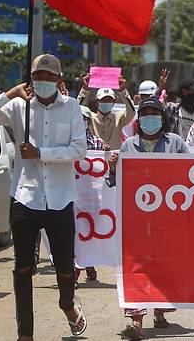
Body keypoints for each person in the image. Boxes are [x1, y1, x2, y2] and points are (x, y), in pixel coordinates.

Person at [0, 54, 88, 340]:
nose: (44, 82)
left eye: (50, 77)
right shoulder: (18, 106)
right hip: (25, 196)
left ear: (59, 80)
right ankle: (25, 333)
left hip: (60, 199)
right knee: (23, 269)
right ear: (31, 79)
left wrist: (41, 154)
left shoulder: (71, 107)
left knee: (64, 265)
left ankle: (67, 305)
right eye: (39, 76)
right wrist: (10, 93)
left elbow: (79, 150)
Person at [107, 98, 189, 340]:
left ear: (162, 117)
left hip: (168, 220)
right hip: (137, 221)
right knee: (137, 268)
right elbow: (115, 182)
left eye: (155, 113)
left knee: (163, 266)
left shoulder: (176, 143)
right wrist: (114, 169)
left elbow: (193, 173)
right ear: (139, 118)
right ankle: (136, 320)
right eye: (145, 113)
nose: (150, 117)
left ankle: (160, 311)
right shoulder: (128, 146)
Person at [74, 105, 110, 287]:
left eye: (84, 119)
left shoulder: (98, 143)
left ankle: (88, 265)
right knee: (74, 233)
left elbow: (105, 165)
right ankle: (75, 270)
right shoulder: (66, 144)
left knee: (87, 232)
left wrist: (108, 155)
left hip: (92, 198)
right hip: (72, 196)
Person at [78, 73, 135, 150]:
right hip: (94, 158)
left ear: (114, 102)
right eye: (103, 100)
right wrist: (84, 90)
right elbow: (77, 110)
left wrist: (123, 91)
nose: (106, 102)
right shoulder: (90, 118)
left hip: (115, 158)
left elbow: (132, 111)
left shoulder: (119, 118)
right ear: (96, 102)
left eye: (109, 100)